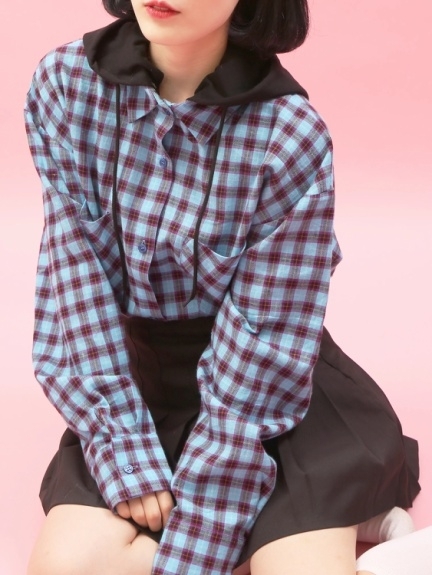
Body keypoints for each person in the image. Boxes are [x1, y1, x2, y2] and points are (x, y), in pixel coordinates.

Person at [24, 1, 421, 574]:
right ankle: (329, 527)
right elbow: (73, 281)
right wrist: (122, 445)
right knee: (65, 566)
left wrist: (199, 544)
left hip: (265, 393)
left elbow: (268, 338)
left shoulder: (289, 133)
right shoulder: (65, 87)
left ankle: (344, 518)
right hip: (135, 387)